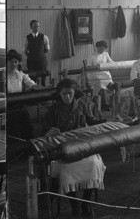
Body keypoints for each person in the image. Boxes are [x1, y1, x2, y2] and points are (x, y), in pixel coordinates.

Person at [42, 79, 101, 217]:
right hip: (61, 149)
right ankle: (75, 206)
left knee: (94, 164)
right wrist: (49, 132)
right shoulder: (54, 109)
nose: (67, 97)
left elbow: (92, 121)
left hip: (81, 145)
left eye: (70, 93)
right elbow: (44, 131)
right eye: (64, 94)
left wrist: (110, 122)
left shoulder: (81, 105)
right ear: (59, 94)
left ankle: (85, 203)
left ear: (75, 93)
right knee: (67, 169)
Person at [6, 49, 43, 141]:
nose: (13, 64)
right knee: (15, 127)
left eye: (15, 62)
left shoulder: (20, 74)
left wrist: (45, 88)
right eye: (11, 61)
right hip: (8, 105)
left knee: (27, 124)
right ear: (6, 62)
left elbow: (33, 85)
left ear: (18, 63)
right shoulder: (3, 75)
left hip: (18, 104)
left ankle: (29, 144)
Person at [88, 40, 114, 110]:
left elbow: (111, 63)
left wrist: (115, 64)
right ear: (97, 47)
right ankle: (101, 104)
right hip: (94, 74)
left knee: (109, 82)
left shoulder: (106, 54)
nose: (102, 50)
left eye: (103, 48)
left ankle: (108, 103)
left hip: (104, 73)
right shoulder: (92, 56)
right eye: (100, 48)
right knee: (100, 82)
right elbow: (88, 67)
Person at [24, 20, 50, 86]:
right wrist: (31, 57)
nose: (36, 28)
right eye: (35, 26)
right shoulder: (27, 38)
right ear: (31, 27)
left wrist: (40, 55)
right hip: (31, 63)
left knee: (43, 79)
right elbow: (25, 50)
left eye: (38, 26)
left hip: (42, 62)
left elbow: (47, 49)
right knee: (32, 81)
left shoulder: (44, 37)